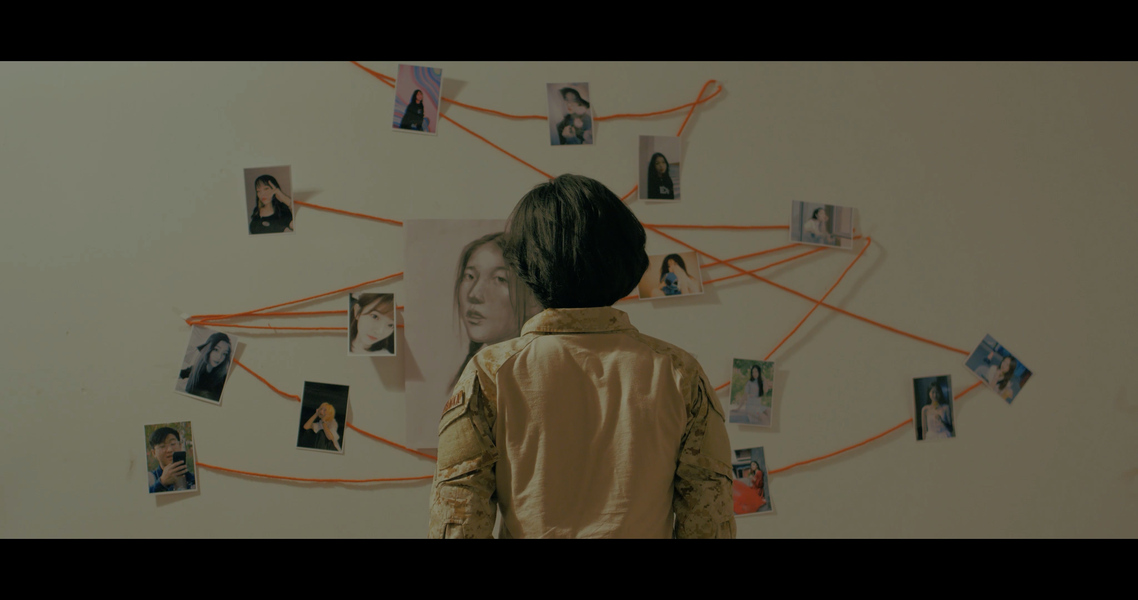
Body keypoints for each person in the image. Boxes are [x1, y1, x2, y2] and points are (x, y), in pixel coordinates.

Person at [429, 174, 735, 538]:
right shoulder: (679, 372)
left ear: (527, 265)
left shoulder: (490, 373)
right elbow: (709, 524)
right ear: (626, 256)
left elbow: (458, 524)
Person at [449, 232, 540, 389]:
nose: (474, 294)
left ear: (533, 297)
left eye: (500, 279)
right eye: (470, 276)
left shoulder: (538, 373)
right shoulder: (478, 373)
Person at [178, 331, 233, 402]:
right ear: (208, 349)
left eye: (224, 354)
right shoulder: (195, 369)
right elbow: (179, 374)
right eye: (216, 350)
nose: (219, 357)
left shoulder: (223, 380)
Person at [148, 427, 195, 493]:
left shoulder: (194, 479)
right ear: (154, 453)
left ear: (180, 445)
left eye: (173, 444)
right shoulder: (149, 479)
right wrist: (162, 483)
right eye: (162, 446)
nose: (169, 449)